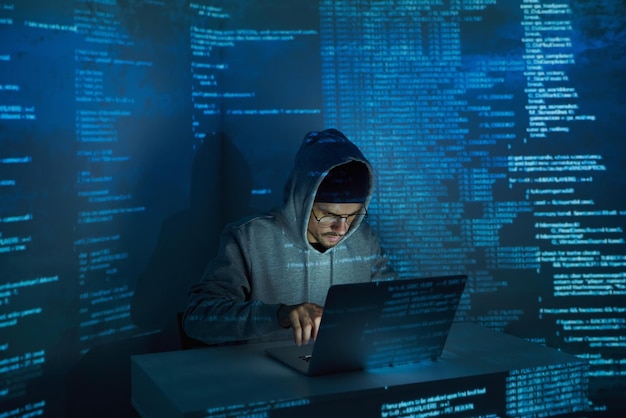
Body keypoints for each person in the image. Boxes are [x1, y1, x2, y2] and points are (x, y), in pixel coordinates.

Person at [182, 128, 394, 347]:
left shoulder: (364, 239)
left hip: (344, 374)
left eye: (352, 216)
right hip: (260, 375)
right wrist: (278, 315)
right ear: (301, 201)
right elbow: (197, 318)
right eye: (328, 215)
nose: (341, 229)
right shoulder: (248, 238)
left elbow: (392, 302)